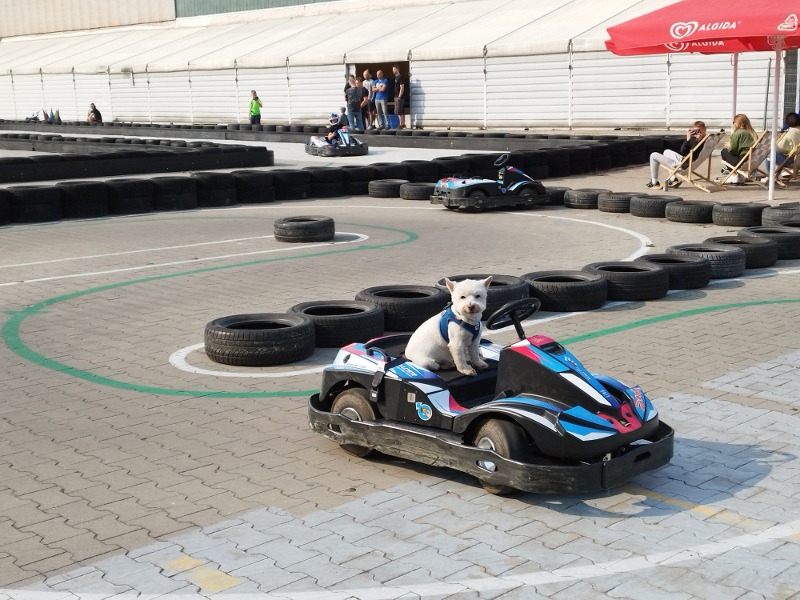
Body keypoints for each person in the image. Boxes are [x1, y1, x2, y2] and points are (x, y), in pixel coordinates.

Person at [646, 121, 706, 188]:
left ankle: (654, 182)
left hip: (684, 165)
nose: (697, 132)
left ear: (704, 129)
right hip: (685, 160)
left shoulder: (701, 142)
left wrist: (697, 141)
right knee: (666, 151)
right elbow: (683, 151)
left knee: (653, 155)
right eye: (695, 131)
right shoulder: (705, 140)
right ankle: (673, 179)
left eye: (699, 130)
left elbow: (693, 154)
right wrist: (688, 139)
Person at [720, 114, 756, 178]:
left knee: (724, 151)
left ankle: (735, 174)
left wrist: (729, 146)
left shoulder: (737, 133)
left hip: (742, 161)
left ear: (737, 123)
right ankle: (738, 175)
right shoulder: (752, 132)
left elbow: (733, 151)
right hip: (752, 160)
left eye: (733, 122)